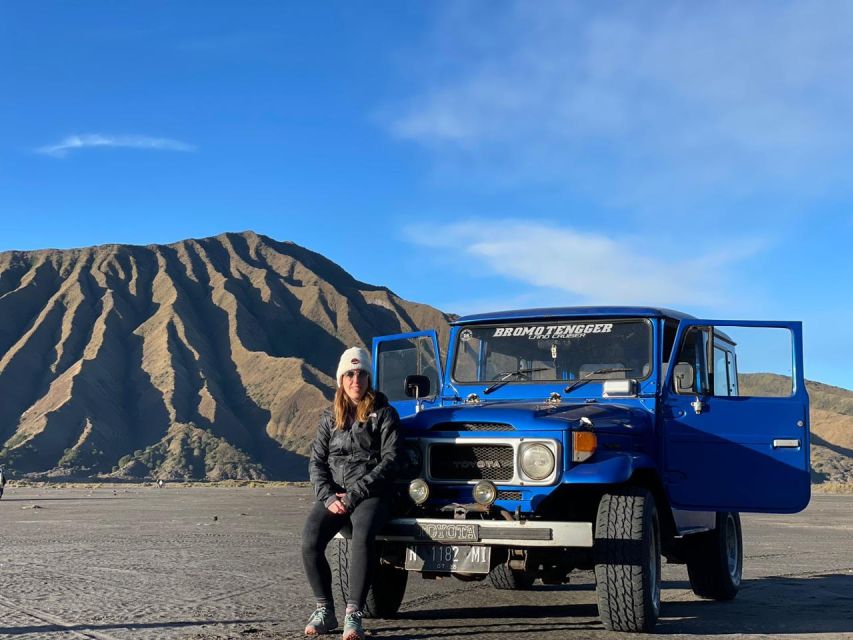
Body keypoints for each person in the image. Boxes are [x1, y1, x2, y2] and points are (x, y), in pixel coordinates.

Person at [301, 347, 401, 640]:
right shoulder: (329, 417)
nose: (355, 379)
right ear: (341, 379)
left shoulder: (384, 413)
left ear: (369, 378)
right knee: (309, 541)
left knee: (362, 535)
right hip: (335, 495)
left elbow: (391, 461)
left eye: (361, 374)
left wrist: (355, 494)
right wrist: (329, 497)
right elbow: (316, 462)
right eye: (349, 374)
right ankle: (325, 610)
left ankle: (354, 614)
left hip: (372, 493)